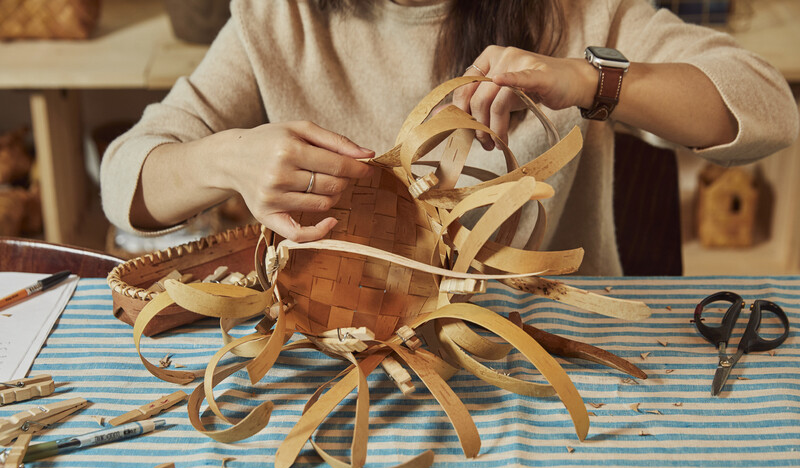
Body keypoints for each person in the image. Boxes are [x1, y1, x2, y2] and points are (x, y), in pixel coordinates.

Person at [100, 0, 799, 275]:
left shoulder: (574, 11)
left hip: (545, 358)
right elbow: (123, 180)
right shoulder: (281, 18)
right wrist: (227, 158)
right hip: (351, 358)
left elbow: (768, 106)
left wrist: (592, 81)